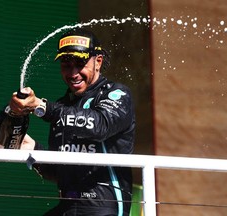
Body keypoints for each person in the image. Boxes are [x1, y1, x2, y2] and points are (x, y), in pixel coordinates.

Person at [9, 28, 135, 216]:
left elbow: (100, 125)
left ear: (98, 61)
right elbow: (61, 170)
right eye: (67, 65)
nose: (73, 73)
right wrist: (30, 148)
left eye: (80, 64)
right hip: (67, 205)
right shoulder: (63, 104)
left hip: (103, 207)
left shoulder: (116, 94)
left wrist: (42, 107)